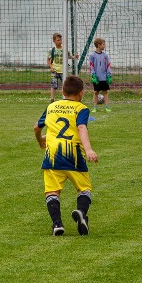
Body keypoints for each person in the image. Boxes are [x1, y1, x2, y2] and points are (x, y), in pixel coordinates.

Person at [34, 75, 99, 236]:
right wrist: (89, 149)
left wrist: (41, 141)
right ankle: (81, 213)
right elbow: (82, 127)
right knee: (84, 189)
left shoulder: (52, 107)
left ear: (62, 91)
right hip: (74, 155)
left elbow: (36, 127)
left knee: (52, 192)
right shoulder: (81, 108)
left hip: (53, 156)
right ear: (81, 93)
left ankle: (57, 224)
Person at [47, 32, 79, 103]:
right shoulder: (51, 50)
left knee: (65, 85)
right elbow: (48, 60)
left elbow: (69, 56)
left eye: (60, 40)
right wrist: (51, 67)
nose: (60, 41)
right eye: (58, 40)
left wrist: (74, 57)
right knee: (53, 85)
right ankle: (52, 98)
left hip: (63, 70)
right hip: (54, 70)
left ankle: (65, 98)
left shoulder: (64, 49)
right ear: (54, 41)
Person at [88, 37, 112, 113]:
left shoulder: (105, 56)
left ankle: (107, 107)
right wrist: (93, 75)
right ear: (99, 45)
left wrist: (109, 75)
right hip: (97, 78)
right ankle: (95, 107)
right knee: (96, 92)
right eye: (103, 44)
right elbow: (91, 66)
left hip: (104, 78)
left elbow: (108, 65)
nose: (104, 46)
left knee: (105, 92)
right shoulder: (92, 55)